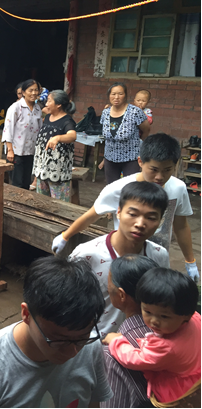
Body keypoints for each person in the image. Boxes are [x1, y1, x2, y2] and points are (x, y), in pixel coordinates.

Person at [0, 256, 112, 408]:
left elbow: (92, 403)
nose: (72, 352)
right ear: (26, 314)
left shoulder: (91, 346)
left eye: (81, 338)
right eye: (59, 341)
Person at [53, 133, 198, 281]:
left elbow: (181, 226)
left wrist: (190, 261)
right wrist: (65, 236)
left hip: (156, 257)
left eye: (167, 170)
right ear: (140, 162)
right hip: (124, 257)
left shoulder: (178, 188)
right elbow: (91, 216)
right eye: (154, 169)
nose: (160, 176)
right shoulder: (119, 189)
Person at [69, 181, 170, 337]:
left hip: (140, 344)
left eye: (151, 217)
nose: (140, 224)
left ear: (160, 221)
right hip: (93, 342)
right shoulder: (86, 254)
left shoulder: (159, 255)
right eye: (133, 214)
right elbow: (69, 303)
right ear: (118, 212)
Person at [105, 268, 201, 405]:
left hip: (178, 390)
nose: (154, 321)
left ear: (186, 316)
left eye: (164, 316)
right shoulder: (196, 318)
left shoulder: (166, 347)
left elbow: (136, 359)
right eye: (148, 311)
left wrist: (116, 341)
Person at [100, 254, 159, 408]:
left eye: (109, 283)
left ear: (121, 295)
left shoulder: (112, 353)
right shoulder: (182, 330)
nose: (108, 288)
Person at [100, 82, 150, 184]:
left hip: (130, 158)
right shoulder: (105, 112)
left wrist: (139, 143)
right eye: (113, 94)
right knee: (112, 188)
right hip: (110, 158)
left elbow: (146, 130)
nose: (116, 97)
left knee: (129, 187)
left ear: (125, 95)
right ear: (109, 96)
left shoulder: (135, 112)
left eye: (120, 94)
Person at [32, 90, 76, 202]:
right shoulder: (48, 117)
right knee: (42, 202)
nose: (46, 104)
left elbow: (72, 135)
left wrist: (58, 138)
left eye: (49, 101)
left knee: (59, 204)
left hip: (58, 173)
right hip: (42, 170)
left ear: (58, 105)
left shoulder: (67, 121)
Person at [2, 80, 42, 190]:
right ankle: (14, 201)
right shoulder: (16, 107)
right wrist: (10, 150)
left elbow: (40, 129)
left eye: (36, 90)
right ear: (23, 92)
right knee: (17, 183)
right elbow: (8, 129)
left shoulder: (37, 108)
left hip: (31, 151)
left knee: (26, 182)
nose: (34, 93)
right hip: (16, 151)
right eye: (30, 90)